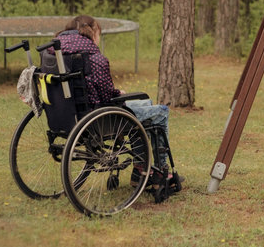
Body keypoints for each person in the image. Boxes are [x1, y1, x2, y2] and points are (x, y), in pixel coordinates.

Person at [52, 15, 174, 176]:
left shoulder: (57, 55)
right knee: (161, 111)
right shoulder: (94, 58)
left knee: (147, 103)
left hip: (69, 114)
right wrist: (118, 93)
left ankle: (140, 168)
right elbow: (107, 96)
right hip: (101, 118)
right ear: (94, 33)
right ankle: (160, 171)